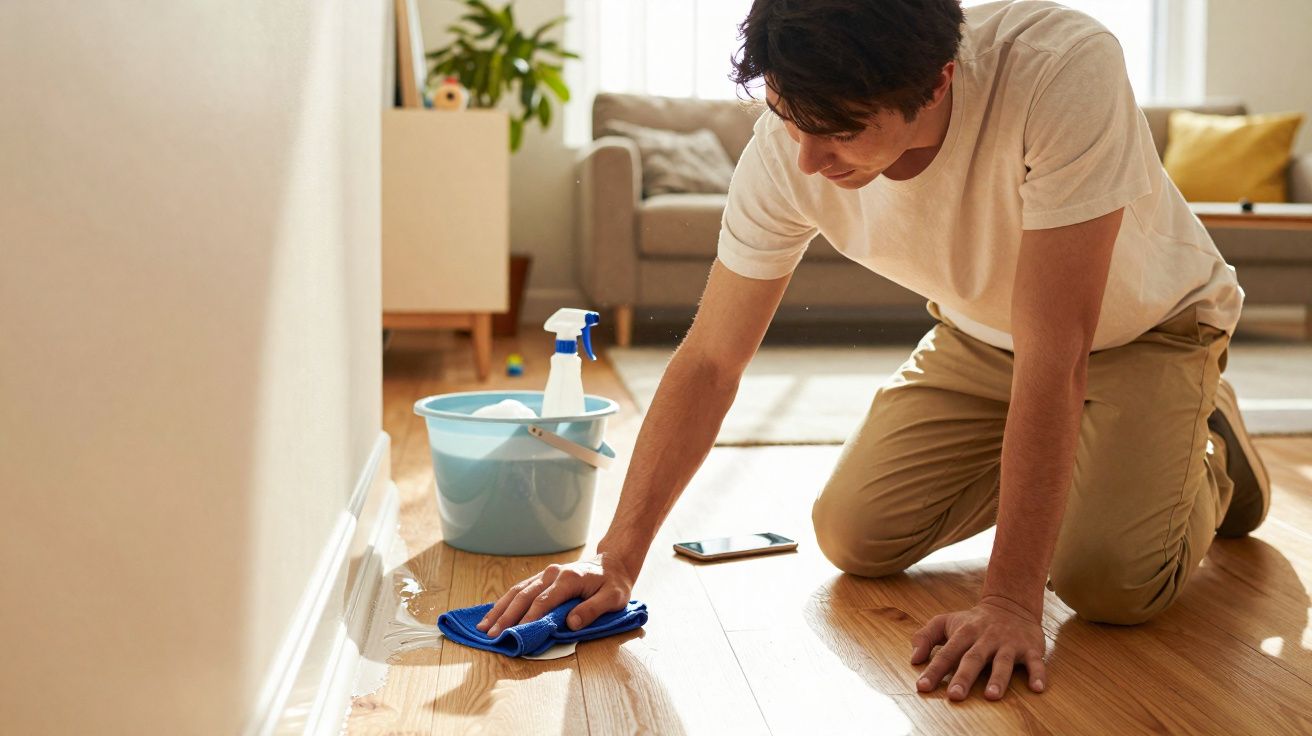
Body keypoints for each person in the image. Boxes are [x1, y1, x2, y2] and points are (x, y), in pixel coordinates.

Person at [475, 0, 1271, 702]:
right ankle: (1101, 454)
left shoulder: (1062, 67)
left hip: (1148, 330)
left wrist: (1009, 601)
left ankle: (1208, 445)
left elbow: (1056, 352)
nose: (808, 163)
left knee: (1106, 582)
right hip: (983, 336)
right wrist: (616, 558)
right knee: (855, 534)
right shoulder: (787, 153)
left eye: (841, 132)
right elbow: (711, 359)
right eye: (790, 119)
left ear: (938, 81)